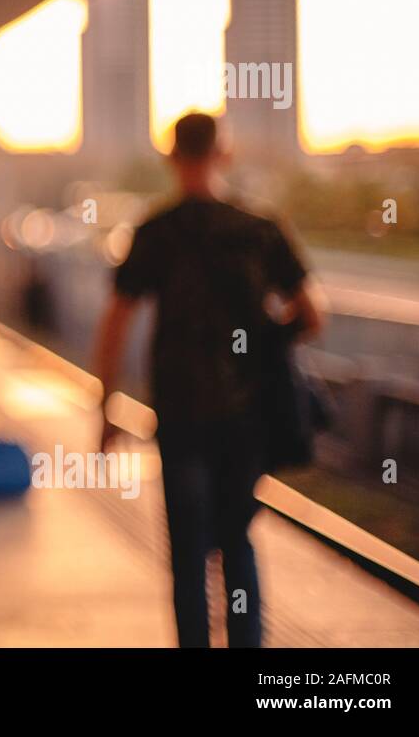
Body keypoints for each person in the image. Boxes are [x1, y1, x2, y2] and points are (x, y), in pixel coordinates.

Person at [93, 112, 323, 647]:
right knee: (237, 538)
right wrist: (267, 337)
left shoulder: (155, 232)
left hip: (179, 414)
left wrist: (105, 405)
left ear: (171, 158)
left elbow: (115, 325)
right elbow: (312, 314)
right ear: (225, 154)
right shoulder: (260, 228)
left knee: (188, 550)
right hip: (247, 413)